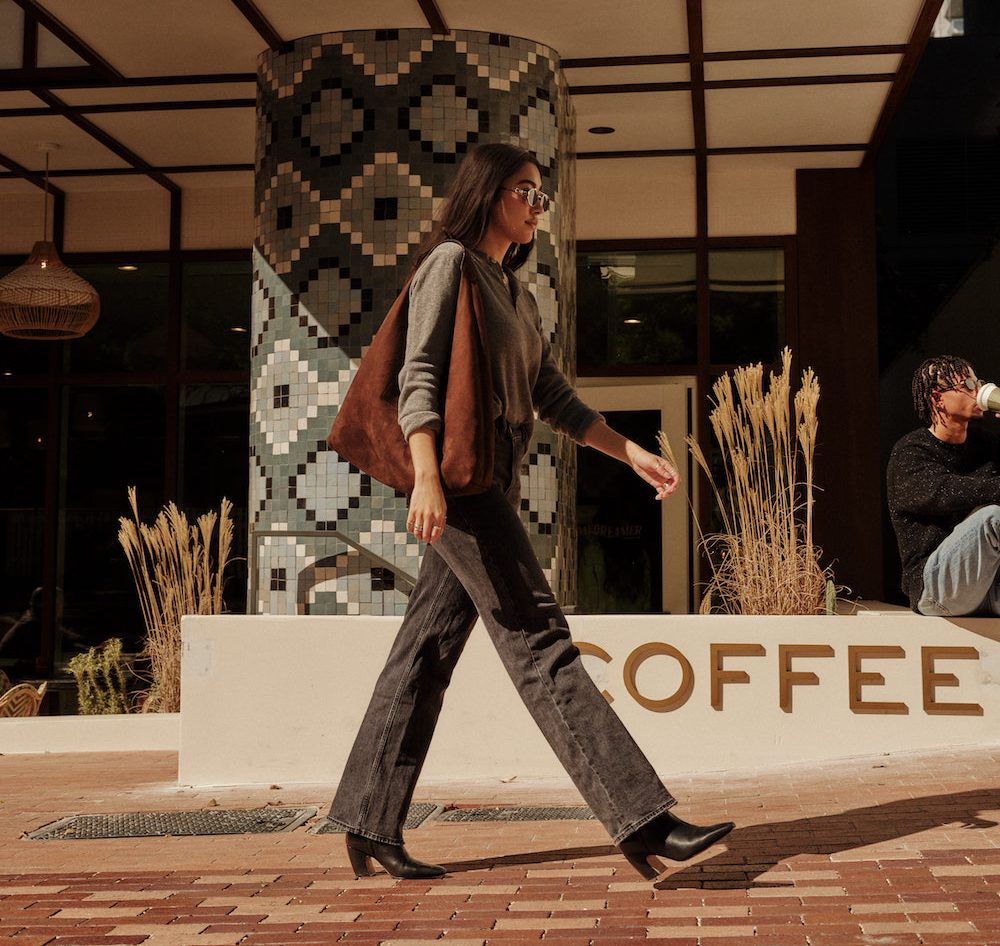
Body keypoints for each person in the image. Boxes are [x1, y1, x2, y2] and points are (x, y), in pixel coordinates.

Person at [327, 143, 734, 881]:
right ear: (487, 193)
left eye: (542, 195)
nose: (537, 207)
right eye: (525, 191)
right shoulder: (449, 264)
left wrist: (629, 452)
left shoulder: (517, 294)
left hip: (492, 476)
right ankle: (643, 820)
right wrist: (426, 477)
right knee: (540, 640)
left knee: (425, 649)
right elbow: (419, 376)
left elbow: (553, 398)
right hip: (461, 485)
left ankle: (367, 819)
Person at [887, 355, 1000, 615]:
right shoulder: (911, 452)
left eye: (978, 382)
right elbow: (947, 492)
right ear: (938, 398)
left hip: (989, 588)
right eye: (968, 384)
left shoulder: (987, 445)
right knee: (994, 518)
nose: (978, 389)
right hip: (936, 588)